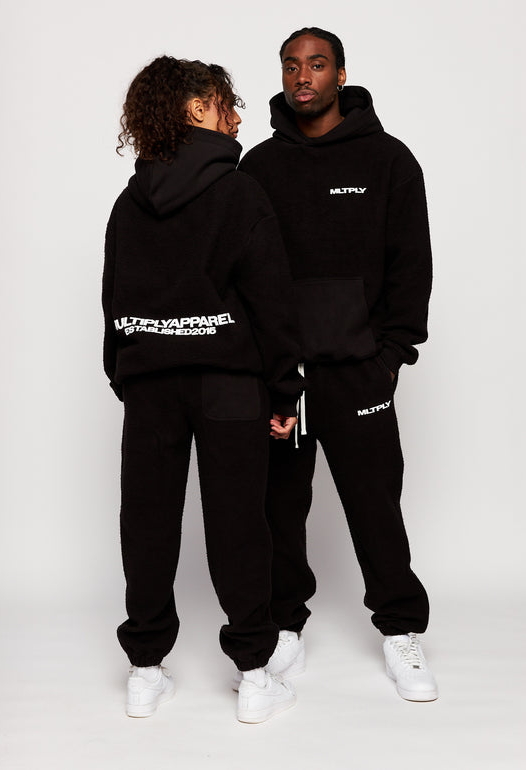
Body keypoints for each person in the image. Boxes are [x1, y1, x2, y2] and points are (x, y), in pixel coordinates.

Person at [102, 55, 304, 723]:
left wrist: (127, 373)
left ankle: (143, 671)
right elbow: (271, 303)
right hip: (229, 383)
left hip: (151, 386)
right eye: (226, 103)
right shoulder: (240, 194)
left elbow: (114, 298)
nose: (237, 117)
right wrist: (285, 392)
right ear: (196, 109)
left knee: (147, 523)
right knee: (239, 524)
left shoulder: (131, 200)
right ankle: (253, 676)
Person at [239, 27, 438, 701]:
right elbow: (241, 271)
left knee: (375, 504)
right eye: (291, 65)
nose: (303, 76)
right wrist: (262, 364)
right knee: (278, 507)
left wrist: (390, 357)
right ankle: (283, 626)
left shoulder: (388, 160)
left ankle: (400, 629)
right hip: (283, 378)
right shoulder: (259, 166)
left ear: (341, 75)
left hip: (358, 371)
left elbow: (411, 265)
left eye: (317, 64)